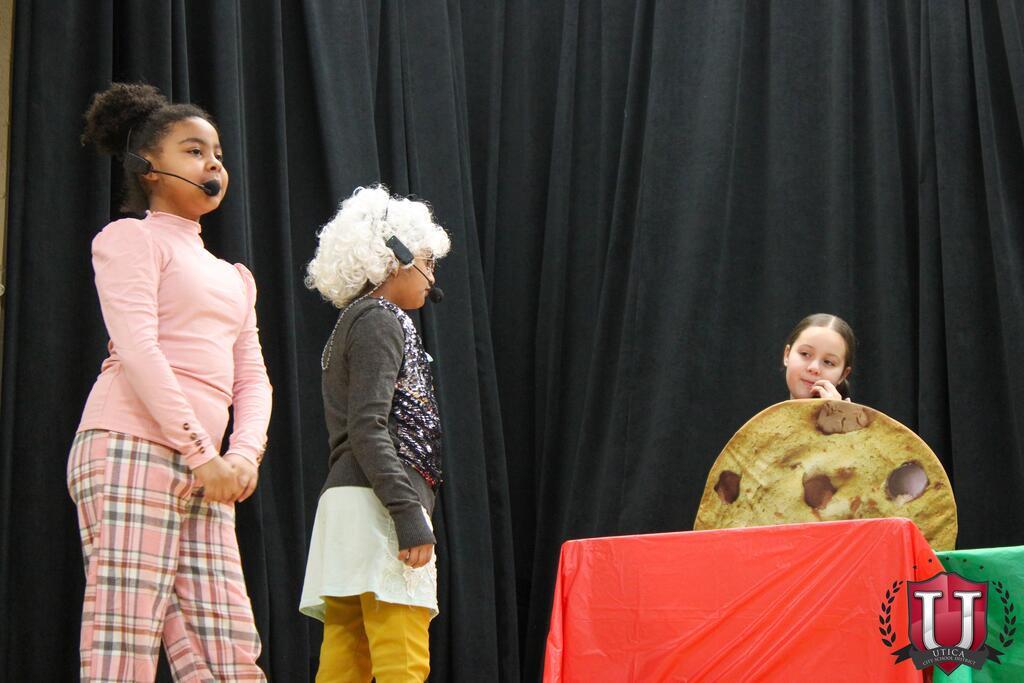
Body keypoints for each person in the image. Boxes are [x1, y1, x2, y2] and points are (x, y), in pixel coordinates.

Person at [68, 82, 272, 681]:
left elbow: (252, 377)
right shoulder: (130, 238)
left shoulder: (235, 276)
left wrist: (243, 455)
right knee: (126, 631)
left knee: (227, 643)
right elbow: (138, 349)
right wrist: (203, 452)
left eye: (217, 155)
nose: (213, 165)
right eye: (194, 151)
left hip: (207, 469)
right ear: (149, 168)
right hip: (130, 445)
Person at [300, 185, 451, 683]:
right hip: (380, 504)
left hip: (349, 505)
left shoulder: (352, 323)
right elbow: (369, 426)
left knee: (346, 654)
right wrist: (407, 513)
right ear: (396, 257)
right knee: (400, 654)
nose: (432, 276)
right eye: (427, 261)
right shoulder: (382, 321)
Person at [782, 313, 855, 401]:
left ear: (843, 375)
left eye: (828, 362)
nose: (814, 368)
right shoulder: (768, 410)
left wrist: (835, 409)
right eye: (805, 354)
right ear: (787, 354)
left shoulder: (848, 411)